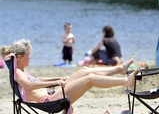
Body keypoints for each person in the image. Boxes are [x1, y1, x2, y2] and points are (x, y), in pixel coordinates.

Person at [1, 39, 138, 104]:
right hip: (51, 98)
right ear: (19, 58)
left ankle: (120, 69)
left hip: (54, 91)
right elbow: (30, 86)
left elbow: (37, 80)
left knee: (84, 69)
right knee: (89, 78)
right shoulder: (18, 73)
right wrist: (56, 82)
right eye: (28, 55)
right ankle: (126, 81)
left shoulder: (21, 71)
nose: (30, 57)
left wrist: (59, 77)